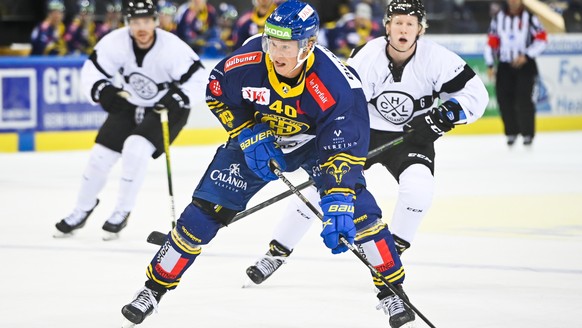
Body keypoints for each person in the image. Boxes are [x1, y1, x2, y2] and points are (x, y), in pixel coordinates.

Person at [120, 1, 415, 327]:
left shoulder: (337, 87)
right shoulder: (247, 64)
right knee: (202, 216)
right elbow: (217, 92)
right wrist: (246, 132)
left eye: (286, 45)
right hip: (258, 140)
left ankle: (391, 291)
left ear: (309, 44)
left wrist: (339, 196)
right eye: (272, 42)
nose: (276, 52)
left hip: (314, 146)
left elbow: (342, 150)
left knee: (360, 214)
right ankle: (153, 290)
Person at [244, 0, 489, 296]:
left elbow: (475, 94)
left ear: (420, 29)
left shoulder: (438, 59)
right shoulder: (367, 55)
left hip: (411, 138)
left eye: (409, 24)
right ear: (387, 26)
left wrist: (446, 114)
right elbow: (344, 103)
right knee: (318, 188)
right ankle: (276, 252)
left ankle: (391, 255)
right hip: (364, 131)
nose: (403, 29)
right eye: (397, 22)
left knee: (419, 189)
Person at [53, 0, 208, 240]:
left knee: (135, 149)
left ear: (155, 22)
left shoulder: (172, 47)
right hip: (130, 102)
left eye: (146, 21)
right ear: (128, 24)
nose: (141, 27)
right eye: (135, 23)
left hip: (166, 108)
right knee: (99, 158)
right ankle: (81, 209)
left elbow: (199, 79)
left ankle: (121, 211)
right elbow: (92, 70)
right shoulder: (116, 42)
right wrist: (103, 90)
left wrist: (179, 96)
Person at [484, 0, 547, 146]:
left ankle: (527, 134)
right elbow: (491, 42)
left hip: (525, 65)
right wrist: (490, 63)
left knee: (524, 99)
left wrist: (527, 55)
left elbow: (542, 39)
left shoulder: (530, 17)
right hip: (505, 65)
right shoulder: (498, 17)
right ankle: (511, 132)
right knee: (504, 100)